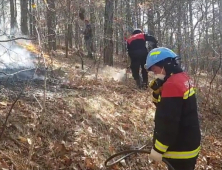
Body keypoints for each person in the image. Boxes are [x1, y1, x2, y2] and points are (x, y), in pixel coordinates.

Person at [144, 47, 201, 170]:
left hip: (180, 149)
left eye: (155, 70)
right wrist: (157, 92)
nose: (155, 74)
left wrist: (158, 149)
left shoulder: (172, 85)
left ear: (165, 64)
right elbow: (166, 108)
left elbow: (168, 122)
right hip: (190, 142)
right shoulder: (184, 78)